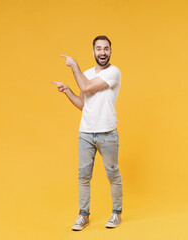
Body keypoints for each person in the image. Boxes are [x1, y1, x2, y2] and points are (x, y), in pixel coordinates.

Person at [52, 35, 123, 231]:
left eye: (106, 48)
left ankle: (116, 213)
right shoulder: (86, 73)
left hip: (107, 133)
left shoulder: (114, 72)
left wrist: (73, 65)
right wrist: (67, 91)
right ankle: (84, 216)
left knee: (113, 174)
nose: (102, 52)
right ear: (93, 52)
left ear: (110, 51)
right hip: (85, 133)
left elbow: (85, 86)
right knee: (83, 176)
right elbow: (83, 104)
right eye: (99, 48)